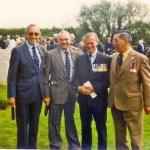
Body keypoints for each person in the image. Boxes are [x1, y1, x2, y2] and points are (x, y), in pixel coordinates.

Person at [7, 24, 48, 149]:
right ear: (26, 35)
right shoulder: (18, 51)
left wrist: (46, 94)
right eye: (31, 33)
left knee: (34, 126)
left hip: (38, 95)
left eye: (36, 34)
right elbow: (12, 75)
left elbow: (43, 73)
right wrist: (11, 95)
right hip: (22, 95)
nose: (33, 36)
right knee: (23, 126)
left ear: (39, 36)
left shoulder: (42, 49)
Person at [109, 31, 150, 150]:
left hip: (132, 104)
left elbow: (147, 83)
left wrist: (148, 104)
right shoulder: (115, 56)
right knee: (120, 136)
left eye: (115, 40)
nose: (113, 43)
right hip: (115, 104)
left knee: (135, 136)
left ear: (126, 41)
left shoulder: (140, 58)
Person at [44, 30, 80, 150]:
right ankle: (55, 145)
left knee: (70, 120)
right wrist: (46, 95)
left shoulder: (76, 53)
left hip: (71, 93)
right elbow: (45, 76)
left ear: (70, 40)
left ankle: (74, 145)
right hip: (55, 93)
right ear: (57, 40)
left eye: (66, 39)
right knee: (54, 122)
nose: (64, 42)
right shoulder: (50, 54)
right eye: (61, 40)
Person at [74, 32, 111, 150]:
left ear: (97, 42)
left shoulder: (106, 59)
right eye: (87, 43)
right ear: (84, 44)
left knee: (101, 128)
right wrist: (78, 87)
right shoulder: (80, 59)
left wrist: (94, 87)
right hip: (84, 100)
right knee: (85, 128)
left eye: (92, 42)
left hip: (99, 100)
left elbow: (108, 80)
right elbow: (75, 78)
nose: (89, 45)